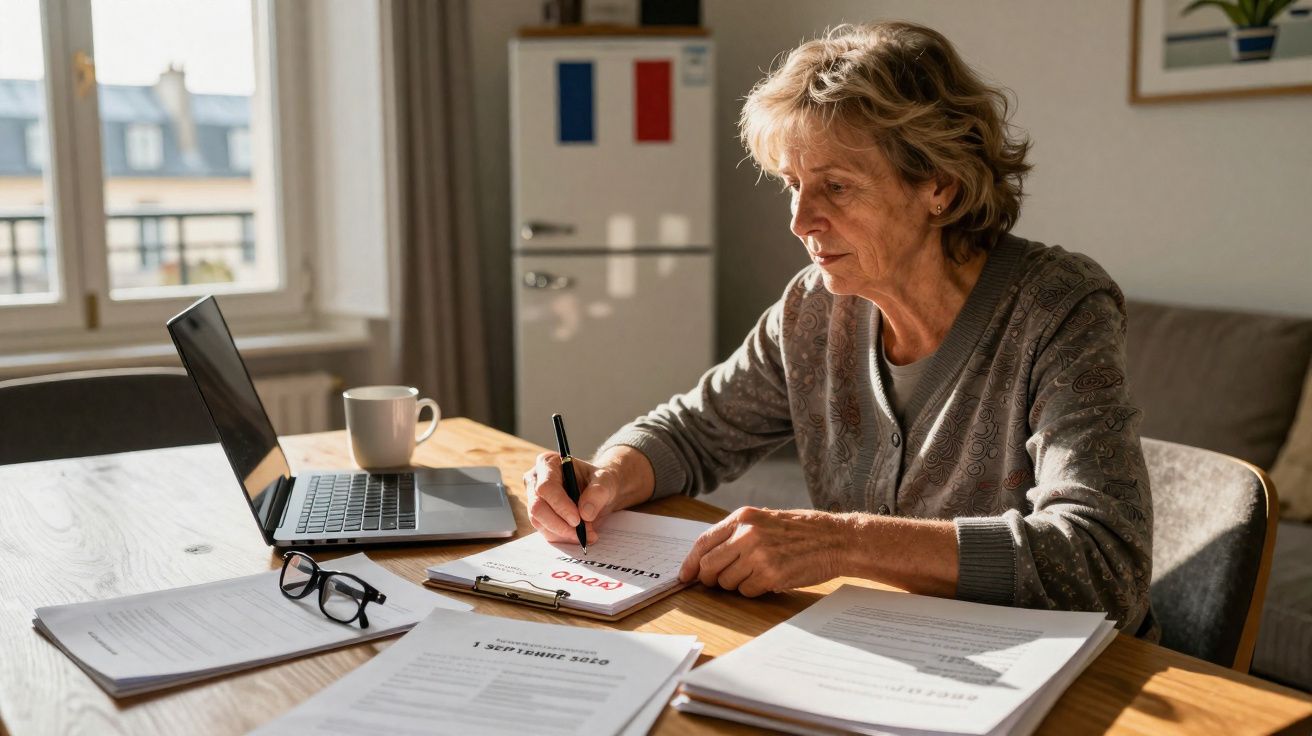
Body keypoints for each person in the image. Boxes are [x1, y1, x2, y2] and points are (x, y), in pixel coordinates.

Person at [523, 21, 1154, 635]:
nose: (800, 220)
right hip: (884, 650)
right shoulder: (814, 310)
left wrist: (842, 541)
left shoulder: (1058, 307)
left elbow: (1101, 565)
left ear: (940, 186)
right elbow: (692, 433)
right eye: (793, 185)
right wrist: (607, 475)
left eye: (837, 186)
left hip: (1052, 677)